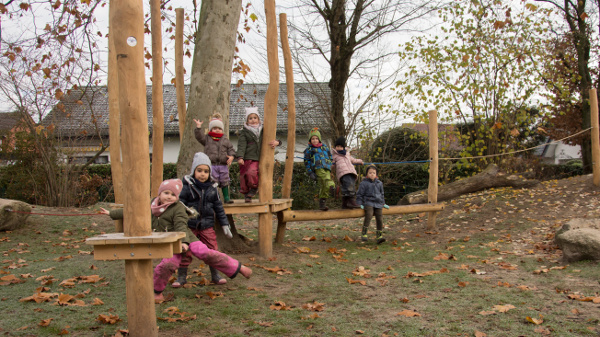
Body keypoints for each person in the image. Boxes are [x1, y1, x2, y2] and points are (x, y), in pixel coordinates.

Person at [99, 178, 252, 301]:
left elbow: (180, 225)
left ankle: (238, 268)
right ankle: (157, 291)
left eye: (173, 195)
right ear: (159, 194)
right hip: (167, 243)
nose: (169, 197)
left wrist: (184, 243)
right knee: (168, 264)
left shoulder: (177, 208)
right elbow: (131, 212)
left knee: (207, 253)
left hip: (185, 238)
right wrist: (110, 213)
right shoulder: (149, 205)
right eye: (166, 193)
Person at [175, 152, 235, 287]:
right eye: (199, 170)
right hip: (189, 226)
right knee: (185, 251)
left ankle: (215, 275)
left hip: (207, 225)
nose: (202, 174)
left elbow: (219, 208)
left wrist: (225, 224)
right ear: (193, 171)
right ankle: (181, 276)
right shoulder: (186, 187)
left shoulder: (213, 189)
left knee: (212, 250)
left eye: (206, 171)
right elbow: (179, 205)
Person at [235, 106, 281, 203]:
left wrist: (277, 142)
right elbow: (241, 145)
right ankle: (247, 195)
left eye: (255, 118)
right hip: (246, 157)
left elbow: (272, 137)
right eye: (250, 118)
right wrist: (240, 157)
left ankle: (253, 188)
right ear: (247, 121)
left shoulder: (263, 130)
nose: (253, 120)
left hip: (256, 158)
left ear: (258, 119)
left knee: (251, 172)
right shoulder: (244, 132)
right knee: (243, 176)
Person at [193, 112, 236, 204]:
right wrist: (198, 128)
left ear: (222, 130)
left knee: (224, 180)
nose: (217, 130)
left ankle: (226, 198)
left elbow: (231, 149)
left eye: (219, 128)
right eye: (215, 128)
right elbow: (199, 137)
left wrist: (232, 157)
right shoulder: (207, 139)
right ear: (211, 129)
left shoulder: (225, 140)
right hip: (211, 165)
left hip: (223, 165)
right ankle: (212, 198)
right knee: (212, 181)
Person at [303, 127, 335, 211]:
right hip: (318, 167)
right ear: (310, 140)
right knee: (327, 180)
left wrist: (330, 162)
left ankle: (322, 202)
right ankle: (333, 187)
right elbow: (307, 162)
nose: (315, 140)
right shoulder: (309, 150)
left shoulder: (324, 148)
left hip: (327, 167)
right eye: (313, 138)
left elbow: (330, 156)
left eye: (316, 138)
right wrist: (310, 173)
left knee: (325, 186)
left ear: (319, 139)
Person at [356, 165, 389, 244]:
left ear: (376, 174)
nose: (372, 174)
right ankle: (364, 233)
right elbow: (359, 194)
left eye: (373, 173)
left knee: (380, 217)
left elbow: (382, 194)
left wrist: (383, 202)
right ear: (367, 174)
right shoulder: (364, 183)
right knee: (369, 214)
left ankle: (379, 236)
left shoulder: (379, 183)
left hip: (378, 203)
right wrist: (360, 203)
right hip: (368, 202)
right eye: (370, 173)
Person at [332, 136, 363, 209]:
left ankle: (345, 204)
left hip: (351, 172)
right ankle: (351, 201)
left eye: (340, 146)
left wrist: (360, 161)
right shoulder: (335, 156)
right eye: (337, 146)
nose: (339, 148)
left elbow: (353, 160)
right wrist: (329, 167)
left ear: (343, 147)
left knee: (348, 187)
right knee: (349, 187)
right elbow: (332, 165)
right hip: (343, 173)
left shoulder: (347, 154)